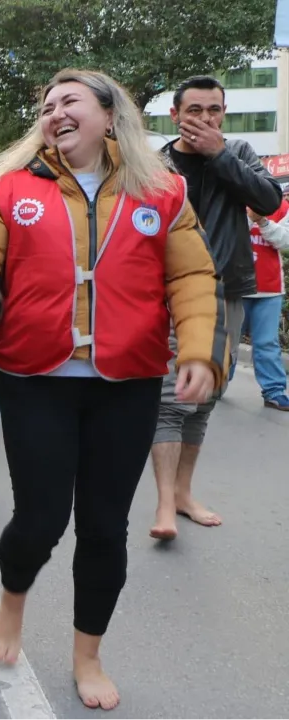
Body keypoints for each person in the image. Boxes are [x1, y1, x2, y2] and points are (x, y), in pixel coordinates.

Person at [0, 68, 224, 712]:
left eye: (70, 101)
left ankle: (88, 654)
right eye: (47, 106)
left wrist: (199, 353)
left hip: (127, 385)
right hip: (34, 381)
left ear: (110, 115)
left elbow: (193, 278)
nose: (55, 112)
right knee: (40, 520)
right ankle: (12, 601)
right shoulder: (16, 189)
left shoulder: (162, 191)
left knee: (106, 529)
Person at [150, 75, 283, 539]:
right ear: (175, 115)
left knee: (204, 396)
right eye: (195, 112)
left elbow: (269, 199)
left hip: (226, 289)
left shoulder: (240, 153)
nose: (205, 120)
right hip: (166, 294)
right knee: (171, 397)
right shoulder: (158, 162)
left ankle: (184, 494)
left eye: (213, 111)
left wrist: (218, 154)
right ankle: (165, 505)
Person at [243, 200, 289, 409]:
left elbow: (286, 240)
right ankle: (215, 386)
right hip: (234, 287)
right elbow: (221, 235)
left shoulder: (281, 206)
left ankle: (274, 391)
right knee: (224, 343)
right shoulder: (230, 198)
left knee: (268, 343)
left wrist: (262, 221)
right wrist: (249, 218)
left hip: (269, 289)